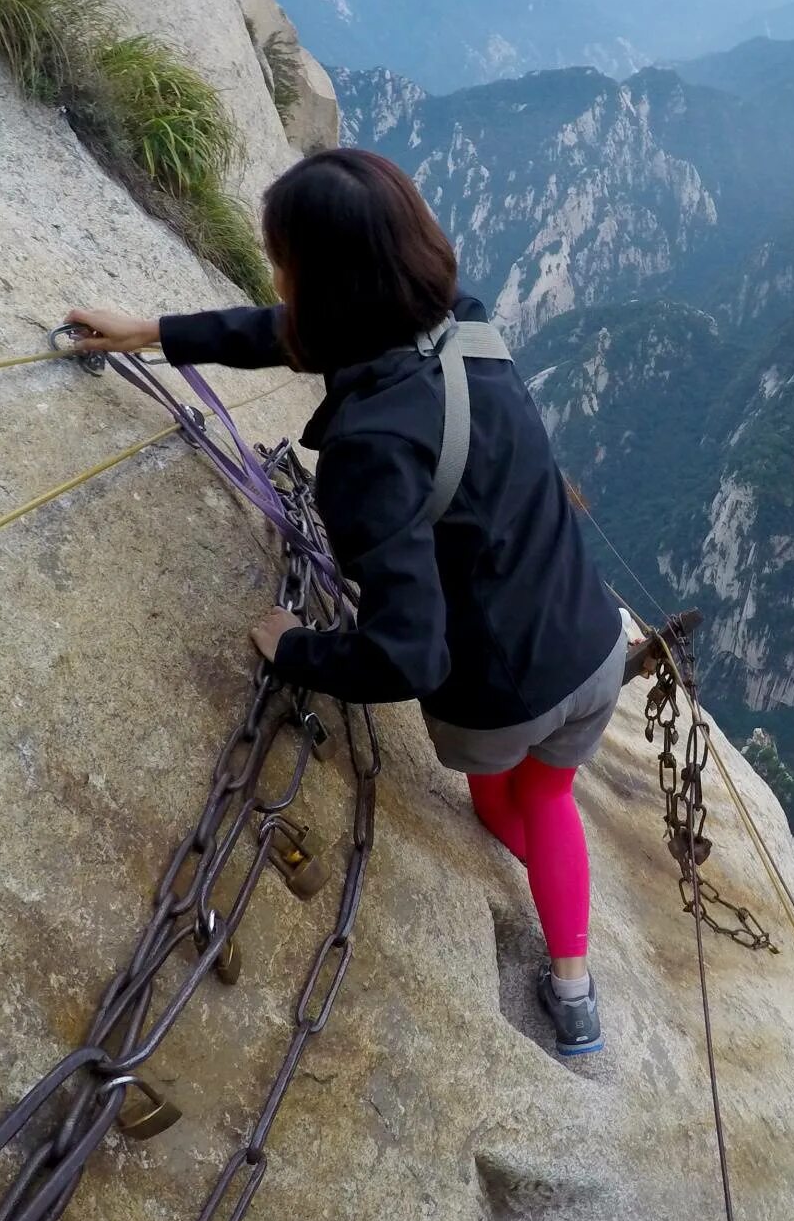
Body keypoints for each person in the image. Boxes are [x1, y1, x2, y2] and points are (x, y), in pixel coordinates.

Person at [65, 149, 623, 1056]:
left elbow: (413, 655)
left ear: (322, 284)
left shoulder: (369, 449)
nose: (277, 278)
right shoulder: (463, 324)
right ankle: (575, 991)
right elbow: (291, 332)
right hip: (592, 651)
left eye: (283, 260)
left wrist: (295, 649)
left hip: (499, 698)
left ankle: (535, 886)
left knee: (498, 804)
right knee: (553, 797)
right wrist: (150, 332)